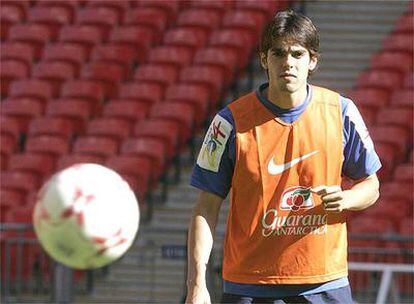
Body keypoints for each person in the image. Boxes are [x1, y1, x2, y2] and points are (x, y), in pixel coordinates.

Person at [186, 9, 381, 304]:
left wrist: (347, 198)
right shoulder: (227, 124)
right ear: (264, 59)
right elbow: (205, 207)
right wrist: (197, 284)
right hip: (249, 285)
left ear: (312, 60)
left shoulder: (341, 112)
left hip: (324, 282)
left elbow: (372, 186)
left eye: (297, 54)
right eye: (278, 53)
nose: (287, 62)